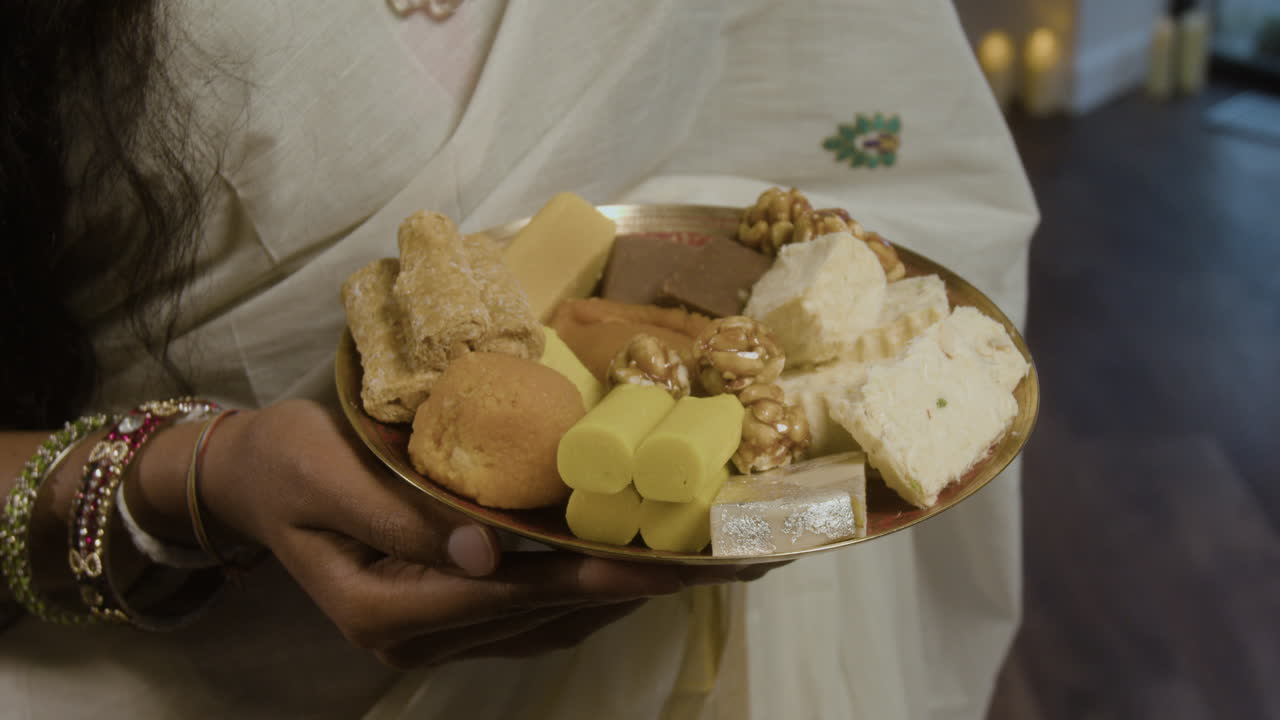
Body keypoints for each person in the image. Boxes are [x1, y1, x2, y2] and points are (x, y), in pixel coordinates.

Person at [0, 1, 1038, 718]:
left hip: (721, 646)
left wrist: (789, 492)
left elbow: (870, 124)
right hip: (220, 672)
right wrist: (185, 481)